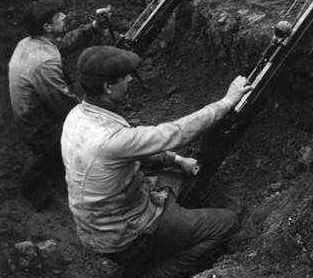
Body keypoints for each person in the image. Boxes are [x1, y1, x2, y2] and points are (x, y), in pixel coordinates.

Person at [61, 45, 252, 278]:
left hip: (101, 225)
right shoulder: (111, 140)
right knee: (227, 223)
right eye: (124, 77)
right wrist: (227, 101)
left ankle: (166, 241)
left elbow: (133, 153)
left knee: (192, 182)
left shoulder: (77, 115)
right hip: (127, 235)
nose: (131, 79)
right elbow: (177, 132)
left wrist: (176, 159)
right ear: (108, 87)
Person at [8, 0, 111, 210]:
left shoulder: (31, 43)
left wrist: (93, 26)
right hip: (41, 131)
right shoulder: (43, 63)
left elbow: (61, 45)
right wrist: (102, 114)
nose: (64, 17)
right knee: (92, 136)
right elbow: (65, 106)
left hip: (32, 117)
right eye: (59, 17)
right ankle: (34, 180)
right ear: (47, 27)